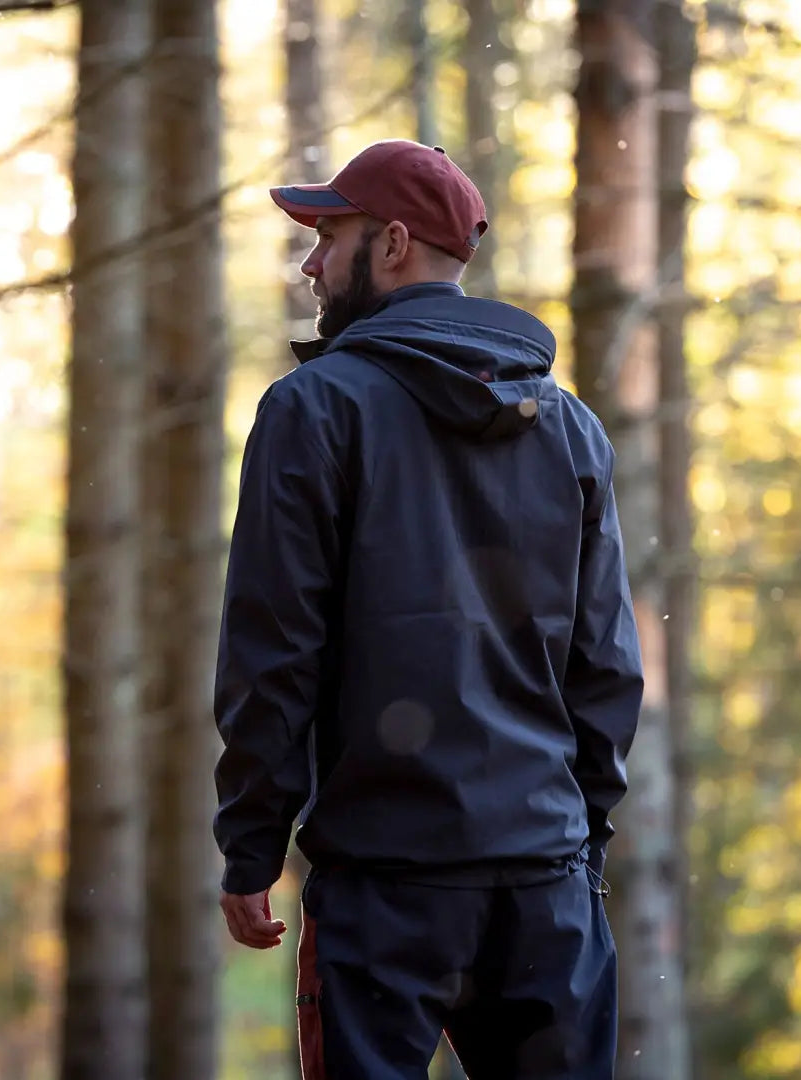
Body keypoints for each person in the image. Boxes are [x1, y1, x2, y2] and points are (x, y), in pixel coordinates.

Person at [213, 139, 642, 1080]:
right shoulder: (570, 426)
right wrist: (579, 841)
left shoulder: (314, 409)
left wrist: (250, 848)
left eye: (331, 235)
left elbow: (273, 653)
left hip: (384, 888)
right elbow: (606, 666)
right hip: (546, 891)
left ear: (394, 243)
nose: (311, 262)